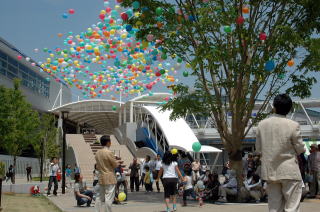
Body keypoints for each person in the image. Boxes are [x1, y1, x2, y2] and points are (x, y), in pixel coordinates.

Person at [256, 94, 306, 212]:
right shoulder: (293, 125)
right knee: (292, 207)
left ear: (274, 107)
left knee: (274, 207)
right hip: (289, 171)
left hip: (270, 171)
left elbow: (258, 149)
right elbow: (300, 149)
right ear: (289, 109)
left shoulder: (262, 125)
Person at [95, 135, 122, 212]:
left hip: (101, 177)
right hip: (109, 177)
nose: (111, 143)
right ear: (108, 142)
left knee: (99, 197)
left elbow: (97, 166)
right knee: (109, 198)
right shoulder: (109, 152)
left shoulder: (97, 153)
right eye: (110, 141)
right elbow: (114, 165)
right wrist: (118, 162)